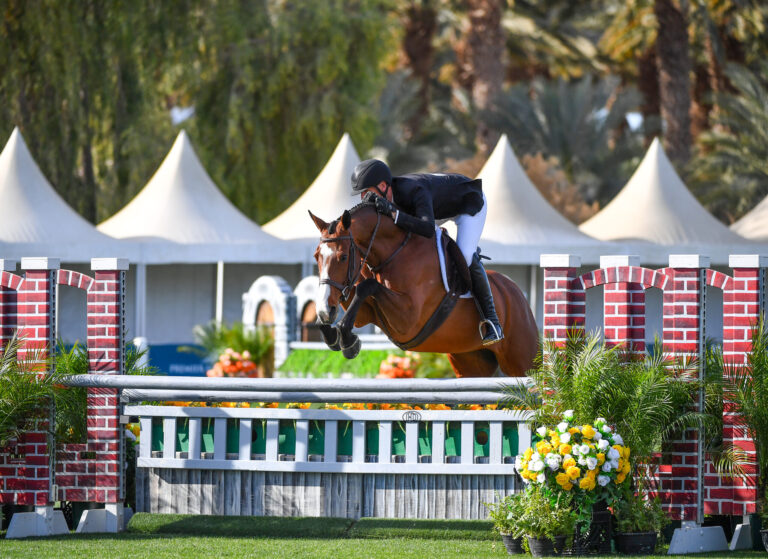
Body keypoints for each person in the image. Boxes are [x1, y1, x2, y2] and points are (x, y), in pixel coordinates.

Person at [350, 158, 503, 346]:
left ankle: (492, 321)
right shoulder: (387, 198)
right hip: (435, 208)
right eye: (361, 194)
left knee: (465, 254)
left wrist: (394, 213)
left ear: (383, 186)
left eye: (366, 192)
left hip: (467, 204)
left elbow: (428, 229)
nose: (364, 198)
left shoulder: (414, 190)